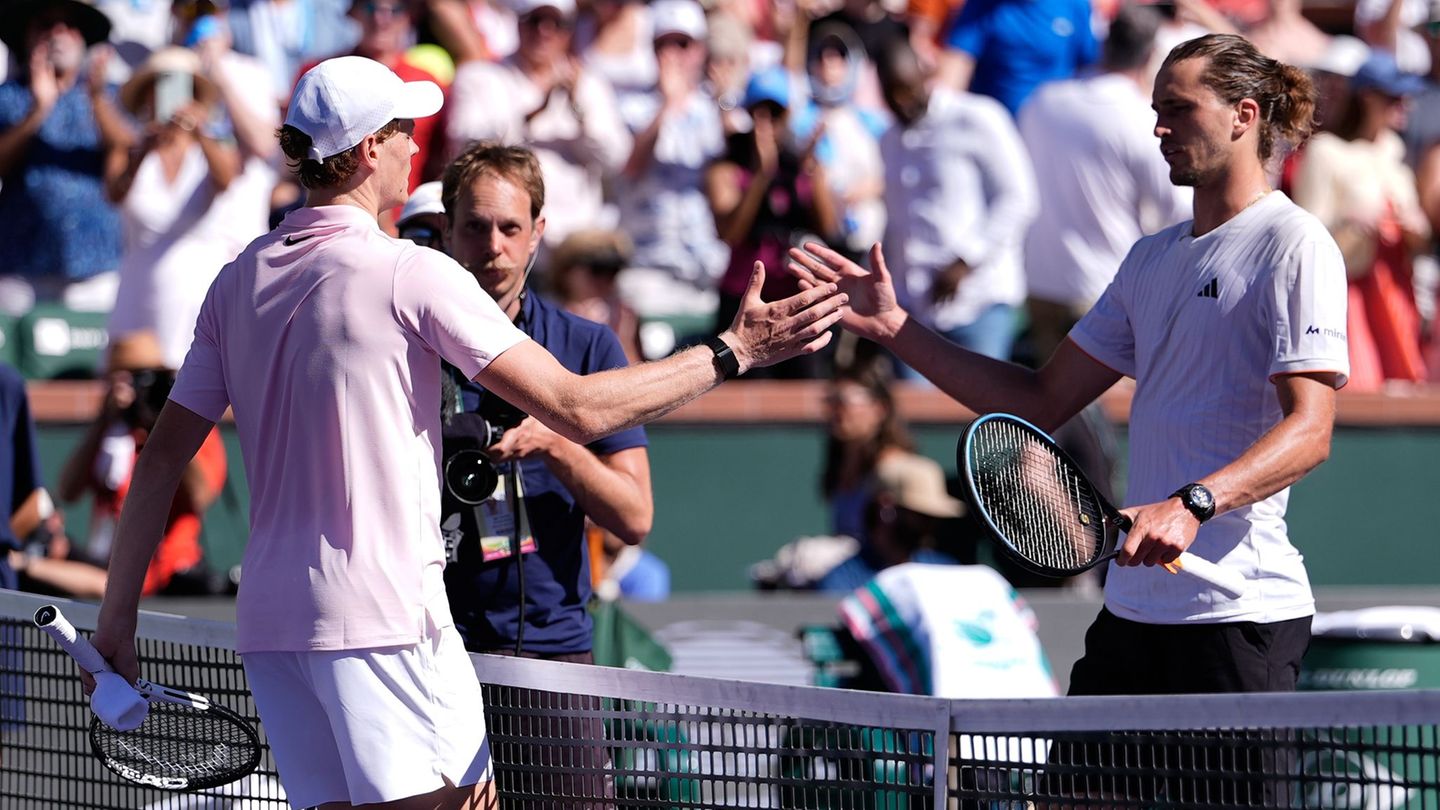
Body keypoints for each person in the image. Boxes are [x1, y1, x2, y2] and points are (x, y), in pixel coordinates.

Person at [89, 54, 844, 810]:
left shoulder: (236, 279)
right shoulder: (408, 272)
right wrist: (734, 351)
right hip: (381, 620)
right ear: (365, 152)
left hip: (275, 629)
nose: (417, 146)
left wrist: (115, 623)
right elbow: (575, 408)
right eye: (402, 131)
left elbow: (157, 464)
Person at [790, 33, 1347, 700]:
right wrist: (896, 328)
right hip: (1132, 615)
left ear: (1244, 115)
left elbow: (1311, 430)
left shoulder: (1294, 243)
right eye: (1155, 110)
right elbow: (1039, 401)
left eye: (1179, 109)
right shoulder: (1149, 259)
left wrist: (1192, 505)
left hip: (1238, 617)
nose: (1160, 128)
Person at [436, 140, 654, 665]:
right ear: (446, 230)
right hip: (430, 645)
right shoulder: (406, 342)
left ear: (537, 233)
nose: (493, 246)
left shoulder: (587, 344)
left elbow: (635, 516)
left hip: (552, 645)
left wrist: (556, 446)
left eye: (510, 228)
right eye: (474, 226)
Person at [1018, 4, 1191, 363]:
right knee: (1105, 415)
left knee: (1054, 409)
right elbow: (1178, 212)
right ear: (1151, 55)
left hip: (1042, 282)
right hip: (1106, 292)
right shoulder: (1138, 117)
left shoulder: (1043, 100)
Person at [107, 44, 277, 368]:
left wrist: (200, 133)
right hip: (137, 288)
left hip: (195, 291)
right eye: (160, 86)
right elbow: (114, 194)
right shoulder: (132, 148)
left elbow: (225, 180)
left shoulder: (212, 148)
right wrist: (144, 148)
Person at [25, 331, 228, 599]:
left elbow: (200, 496)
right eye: (123, 381)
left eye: (142, 380)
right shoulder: (111, 432)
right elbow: (68, 490)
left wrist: (161, 427)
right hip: (109, 560)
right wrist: (103, 422)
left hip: (169, 567)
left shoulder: (189, 428)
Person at [876, 40, 1037, 365]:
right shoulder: (889, 139)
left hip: (980, 302)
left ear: (926, 73)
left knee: (982, 412)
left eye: (907, 89)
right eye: (891, 94)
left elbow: (1020, 198)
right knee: (919, 413)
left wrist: (966, 260)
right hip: (916, 310)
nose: (901, 102)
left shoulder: (976, 117)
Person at [1292, 51, 1431, 390]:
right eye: (1395, 97)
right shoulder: (1325, 151)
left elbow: (1420, 238)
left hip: (1396, 290)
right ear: (1368, 98)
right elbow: (1302, 235)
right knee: (1361, 382)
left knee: (1404, 382)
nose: (1405, 105)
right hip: (1349, 292)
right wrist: (1348, 220)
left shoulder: (1393, 151)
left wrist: (1415, 225)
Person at [445, 0, 631, 247]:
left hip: (573, 244)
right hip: (502, 238)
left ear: (570, 30)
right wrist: (534, 109)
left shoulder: (590, 85)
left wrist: (579, 111)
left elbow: (615, 159)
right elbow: (466, 145)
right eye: (535, 21)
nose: (545, 31)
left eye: (556, 23)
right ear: (518, 24)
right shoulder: (480, 77)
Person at [707, 66, 840, 378]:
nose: (765, 125)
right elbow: (730, 233)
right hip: (743, 297)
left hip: (794, 295)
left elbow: (829, 227)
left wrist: (814, 173)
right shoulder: (726, 168)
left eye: (775, 115)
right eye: (759, 113)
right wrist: (760, 176)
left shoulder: (798, 164)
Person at [0, 0, 130, 316]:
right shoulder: (9, 96)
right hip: (22, 263)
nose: (58, 34)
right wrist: (38, 110)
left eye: (69, 26)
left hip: (95, 265)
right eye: (46, 25)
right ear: (27, 37)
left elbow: (128, 145)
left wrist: (97, 99)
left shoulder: (108, 94)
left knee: (93, 363)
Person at [613, 0, 730, 322]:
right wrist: (667, 105)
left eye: (683, 43)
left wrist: (725, 104)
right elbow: (630, 167)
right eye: (664, 43)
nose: (673, 53)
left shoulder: (717, 108)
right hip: (647, 267)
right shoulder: (632, 107)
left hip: (704, 267)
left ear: (701, 49)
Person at [814, 451, 965, 594]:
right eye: (921, 515)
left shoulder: (947, 571)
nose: (930, 525)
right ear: (885, 509)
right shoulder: (842, 583)